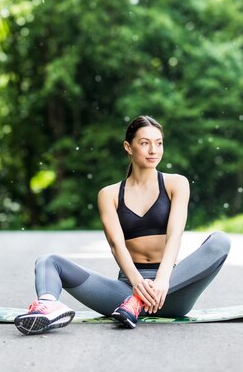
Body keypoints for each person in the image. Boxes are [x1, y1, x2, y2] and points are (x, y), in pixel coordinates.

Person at [14, 115, 231, 335]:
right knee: (48, 261)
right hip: (123, 294)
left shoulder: (176, 183)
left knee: (221, 241)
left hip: (171, 291)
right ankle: (48, 306)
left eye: (159, 143)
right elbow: (116, 245)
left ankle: (139, 303)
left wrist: (161, 282)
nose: (153, 150)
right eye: (145, 143)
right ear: (128, 146)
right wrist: (137, 284)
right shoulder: (109, 194)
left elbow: (175, 235)